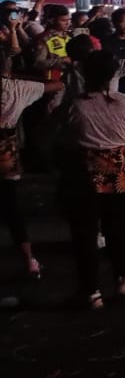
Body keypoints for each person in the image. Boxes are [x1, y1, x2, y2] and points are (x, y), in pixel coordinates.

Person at [58, 51, 125, 309]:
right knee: (117, 227)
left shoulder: (74, 105)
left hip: (84, 171)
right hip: (121, 167)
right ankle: (124, 282)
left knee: (85, 232)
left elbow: (50, 136)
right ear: (113, 74)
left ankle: (91, 292)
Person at [1, 49, 63, 279]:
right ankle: (29, 260)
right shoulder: (18, 88)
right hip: (5, 147)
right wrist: (24, 78)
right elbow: (57, 85)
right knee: (10, 204)